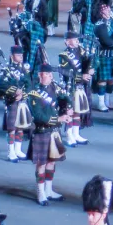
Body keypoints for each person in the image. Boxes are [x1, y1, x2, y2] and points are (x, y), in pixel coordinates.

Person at [27, 63, 72, 206]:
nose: (41, 77)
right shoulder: (34, 93)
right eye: (40, 74)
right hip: (42, 131)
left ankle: (49, 189)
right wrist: (59, 118)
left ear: (50, 76)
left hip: (54, 131)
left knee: (52, 161)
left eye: (44, 74)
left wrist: (68, 109)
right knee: (42, 163)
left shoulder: (56, 88)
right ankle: (41, 192)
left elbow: (66, 98)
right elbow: (39, 116)